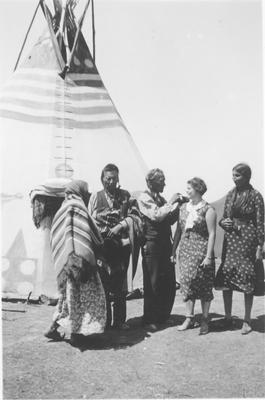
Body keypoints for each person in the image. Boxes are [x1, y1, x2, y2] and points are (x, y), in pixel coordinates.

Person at [44, 180, 106, 344]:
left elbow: (55, 236)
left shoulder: (62, 209)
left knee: (66, 297)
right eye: (85, 192)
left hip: (66, 263)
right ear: (80, 192)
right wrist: (99, 244)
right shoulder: (78, 207)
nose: (87, 195)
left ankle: (53, 327)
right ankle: (76, 334)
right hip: (81, 263)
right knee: (80, 297)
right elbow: (92, 233)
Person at [88, 164, 144, 330]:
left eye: (114, 178)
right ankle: (104, 320)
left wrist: (120, 225)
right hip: (102, 246)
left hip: (121, 245)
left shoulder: (125, 196)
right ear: (102, 179)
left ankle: (119, 321)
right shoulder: (95, 197)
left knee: (120, 285)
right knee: (103, 283)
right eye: (108, 179)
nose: (111, 182)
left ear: (118, 179)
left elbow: (136, 216)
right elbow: (90, 221)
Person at [215, 163, 264, 334]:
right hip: (230, 240)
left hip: (247, 241)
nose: (234, 178)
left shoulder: (256, 196)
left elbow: (260, 223)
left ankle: (247, 320)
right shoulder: (231, 194)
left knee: (246, 278)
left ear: (246, 176)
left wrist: (260, 246)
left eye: (237, 175)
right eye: (233, 175)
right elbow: (223, 218)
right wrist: (223, 222)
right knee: (227, 276)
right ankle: (228, 317)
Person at [137, 168, 186, 331]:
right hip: (152, 243)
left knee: (167, 281)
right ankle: (149, 318)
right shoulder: (144, 198)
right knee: (153, 282)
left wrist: (179, 206)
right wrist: (171, 202)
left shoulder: (160, 198)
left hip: (164, 243)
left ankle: (163, 316)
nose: (164, 183)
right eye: (161, 180)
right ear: (151, 182)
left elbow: (168, 220)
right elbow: (156, 216)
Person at [173, 177, 216, 335]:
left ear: (198, 189)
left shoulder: (208, 209)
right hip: (185, 251)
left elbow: (212, 234)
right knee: (187, 283)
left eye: (189, 188)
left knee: (204, 284)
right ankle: (189, 318)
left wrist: (209, 256)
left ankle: (204, 319)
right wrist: (173, 251)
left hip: (202, 250)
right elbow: (179, 230)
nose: (187, 191)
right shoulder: (183, 208)